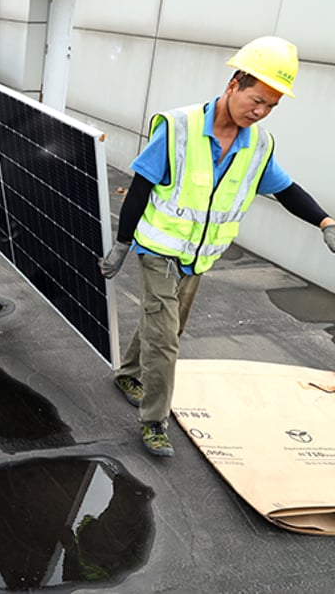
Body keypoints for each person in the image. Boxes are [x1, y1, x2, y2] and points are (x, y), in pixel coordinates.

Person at [99, 36, 335, 457]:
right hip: (157, 251)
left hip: (199, 258)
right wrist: (122, 244)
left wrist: (325, 221)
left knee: (168, 327)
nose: (260, 112)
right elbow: (139, 188)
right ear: (234, 84)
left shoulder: (257, 145)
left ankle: (128, 374)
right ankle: (154, 421)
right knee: (167, 340)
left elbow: (286, 190)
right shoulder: (178, 127)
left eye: (271, 107)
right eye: (257, 99)